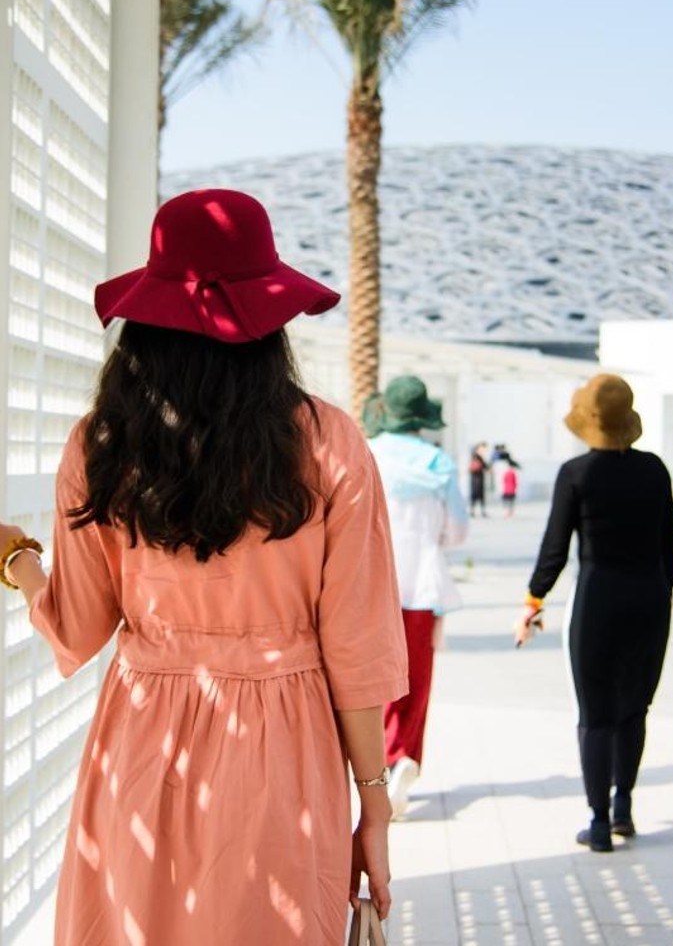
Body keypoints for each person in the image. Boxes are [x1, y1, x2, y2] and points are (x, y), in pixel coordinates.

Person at [0, 189, 408, 944]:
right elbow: (358, 647)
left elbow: (77, 631)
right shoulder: (329, 441)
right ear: (268, 317)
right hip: (286, 748)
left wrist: (18, 560)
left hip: (142, 741)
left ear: (147, 316)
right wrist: (373, 802)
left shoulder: (101, 445)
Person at [514, 374, 673, 853]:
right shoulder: (654, 470)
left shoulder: (576, 473)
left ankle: (599, 821)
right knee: (635, 707)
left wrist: (533, 601)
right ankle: (624, 806)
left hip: (598, 599)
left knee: (595, 712)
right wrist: (662, 592)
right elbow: (668, 545)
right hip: (649, 599)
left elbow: (554, 550)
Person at [363, 376, 469, 818]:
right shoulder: (438, 463)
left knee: (375, 676)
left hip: (372, 583)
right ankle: (405, 753)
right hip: (424, 582)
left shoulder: (368, 453)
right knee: (416, 677)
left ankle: (383, 762)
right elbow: (458, 531)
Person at [469, 442, 490, 516]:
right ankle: (478, 511)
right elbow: (486, 467)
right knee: (478, 496)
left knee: (476, 496)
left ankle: (474, 511)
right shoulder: (478, 457)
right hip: (478, 479)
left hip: (476, 479)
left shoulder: (475, 457)